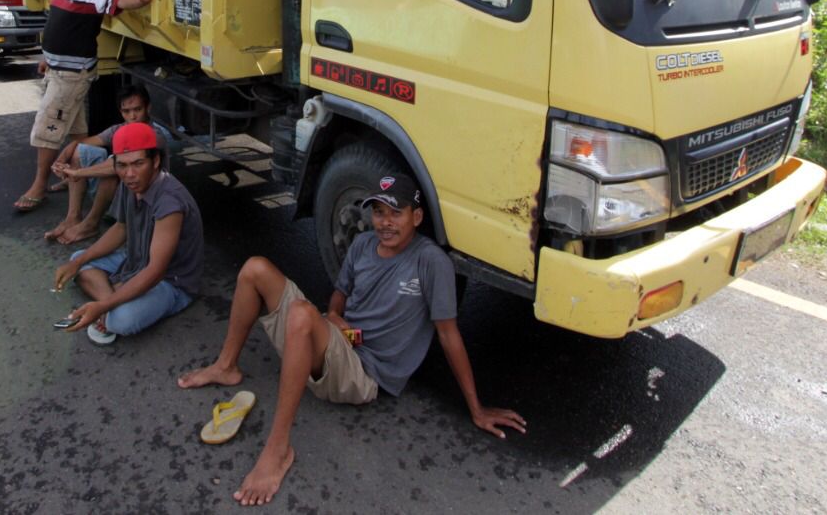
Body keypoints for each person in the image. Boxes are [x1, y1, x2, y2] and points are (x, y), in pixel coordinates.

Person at [177, 173, 525, 507]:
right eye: (378, 212)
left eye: (396, 213)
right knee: (255, 268)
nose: (385, 222)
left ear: (417, 216)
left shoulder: (431, 262)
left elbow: (449, 335)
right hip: (337, 343)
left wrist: (476, 409)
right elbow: (339, 296)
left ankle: (278, 449)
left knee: (300, 313)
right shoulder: (362, 244)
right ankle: (226, 366)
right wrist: (334, 317)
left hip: (364, 373)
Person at [14, 0, 154, 212]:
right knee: (77, 131)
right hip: (57, 70)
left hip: (71, 76)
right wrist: (47, 58)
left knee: (47, 128)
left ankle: (39, 186)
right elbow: (56, 25)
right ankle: (76, 174)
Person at [53, 122, 202, 345]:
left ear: (156, 161)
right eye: (121, 165)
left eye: (138, 163)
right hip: (136, 260)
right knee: (77, 260)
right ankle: (112, 300)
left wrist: (103, 306)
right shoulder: (129, 183)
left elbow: (155, 270)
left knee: (122, 321)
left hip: (171, 282)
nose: (130, 174)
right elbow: (120, 228)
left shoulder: (169, 203)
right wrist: (81, 262)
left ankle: (109, 306)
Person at [45, 84, 173, 244]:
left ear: (148, 108)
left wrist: (77, 173)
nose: (132, 116)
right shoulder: (119, 129)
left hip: (143, 200)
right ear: (121, 112)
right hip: (121, 195)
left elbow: (115, 165)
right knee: (81, 150)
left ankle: (91, 223)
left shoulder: (154, 135)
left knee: (115, 169)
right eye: (127, 111)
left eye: (137, 110)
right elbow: (84, 142)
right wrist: (63, 158)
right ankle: (73, 217)